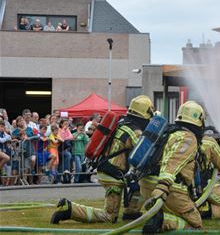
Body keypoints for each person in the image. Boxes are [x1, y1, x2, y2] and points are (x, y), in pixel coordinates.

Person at [51, 95, 155, 224]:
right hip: (113, 174)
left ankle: (131, 213)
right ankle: (69, 209)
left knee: (139, 184)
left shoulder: (121, 123)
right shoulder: (134, 131)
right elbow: (145, 153)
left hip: (107, 169)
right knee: (109, 216)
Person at [139, 101, 206, 233]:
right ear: (199, 121)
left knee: (172, 213)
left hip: (147, 182)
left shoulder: (168, 132)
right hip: (168, 187)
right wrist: (163, 185)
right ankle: (162, 220)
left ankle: (155, 218)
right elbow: (173, 161)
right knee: (196, 225)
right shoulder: (188, 137)